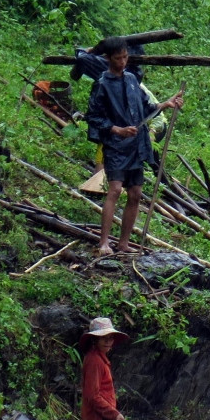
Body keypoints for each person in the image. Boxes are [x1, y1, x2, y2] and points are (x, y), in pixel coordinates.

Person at [86, 37, 183, 257]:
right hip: (116, 145)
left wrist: (167, 103)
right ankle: (103, 243)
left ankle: (123, 243)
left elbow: (147, 107)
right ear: (108, 58)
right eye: (118, 58)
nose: (122, 62)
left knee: (136, 193)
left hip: (136, 145)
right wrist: (117, 130)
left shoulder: (131, 80)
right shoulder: (101, 84)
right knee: (115, 190)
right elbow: (93, 117)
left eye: (125, 57)